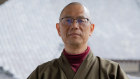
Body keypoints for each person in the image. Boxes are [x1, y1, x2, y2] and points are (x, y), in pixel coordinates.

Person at [27, 2, 129, 79]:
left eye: (81, 20)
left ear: (91, 29)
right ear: (58, 29)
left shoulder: (112, 72)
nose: (75, 26)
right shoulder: (42, 74)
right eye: (68, 20)